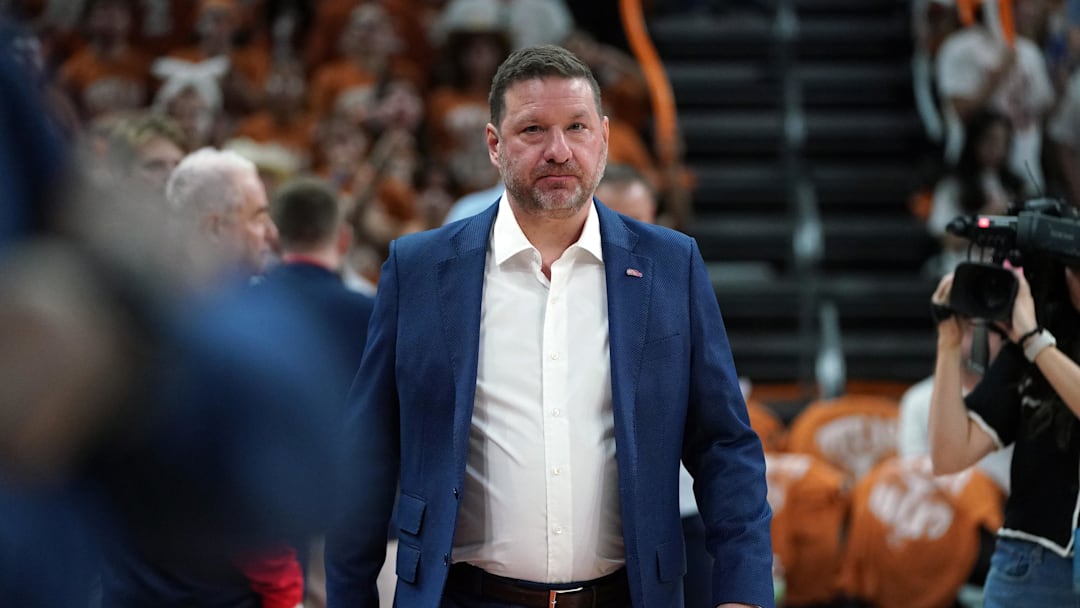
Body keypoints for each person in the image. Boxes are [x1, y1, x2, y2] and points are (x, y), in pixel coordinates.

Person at [325, 44, 773, 608]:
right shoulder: (417, 270)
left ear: (603, 138)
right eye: (533, 129)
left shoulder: (670, 265)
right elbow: (367, 454)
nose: (559, 151)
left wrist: (745, 593)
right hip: (464, 596)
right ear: (494, 144)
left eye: (577, 128)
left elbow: (724, 444)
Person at [928, 252, 1080, 606]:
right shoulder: (1037, 341)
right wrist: (949, 343)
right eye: (1074, 268)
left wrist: (1034, 341)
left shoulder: (1035, 342)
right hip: (1029, 560)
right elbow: (949, 454)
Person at [164, 147, 279, 280]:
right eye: (258, 219)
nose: (272, 233)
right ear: (214, 229)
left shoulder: (269, 292)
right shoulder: (152, 297)